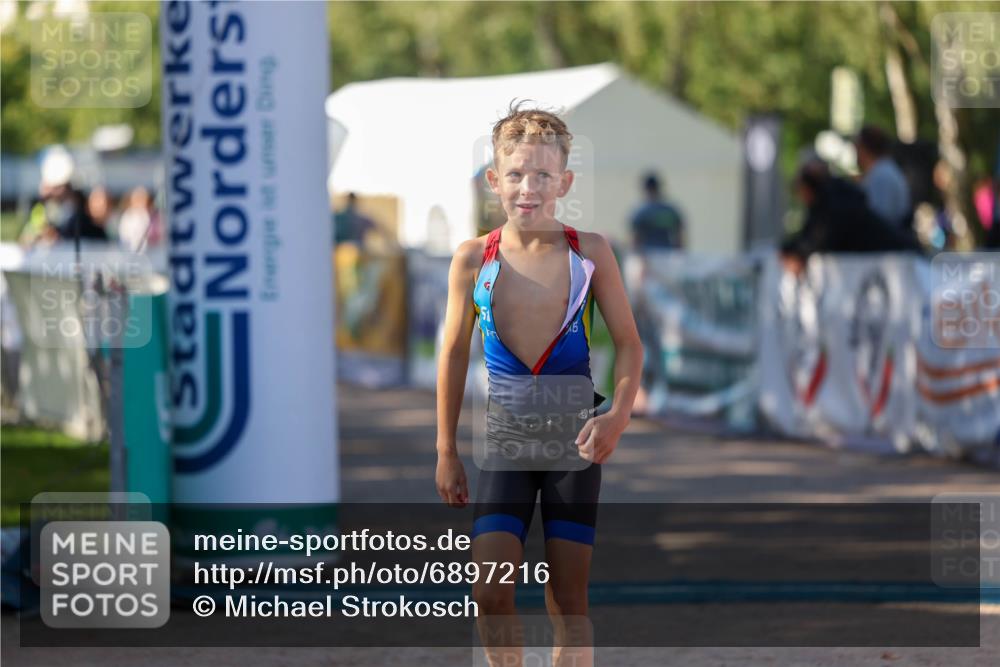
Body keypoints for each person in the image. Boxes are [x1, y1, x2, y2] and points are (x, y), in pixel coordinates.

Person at [435, 104, 643, 667]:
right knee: (489, 591)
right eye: (517, 174)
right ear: (494, 180)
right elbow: (453, 353)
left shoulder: (590, 252)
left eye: (543, 176)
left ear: (565, 182)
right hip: (505, 443)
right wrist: (447, 450)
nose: (529, 188)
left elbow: (630, 343)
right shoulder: (473, 259)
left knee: (568, 598)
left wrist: (618, 414)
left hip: (572, 447)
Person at [781, 158, 921, 274]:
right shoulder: (830, 200)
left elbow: (823, 237)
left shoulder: (836, 203)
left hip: (903, 259)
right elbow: (811, 234)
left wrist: (797, 253)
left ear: (807, 188)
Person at [854, 125, 912, 229]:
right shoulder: (883, 171)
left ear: (863, 148)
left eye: (856, 147)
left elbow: (879, 221)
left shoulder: (881, 176)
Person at [629, 172, 685, 250]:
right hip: (668, 252)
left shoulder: (641, 212)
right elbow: (679, 236)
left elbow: (636, 238)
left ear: (646, 189)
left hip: (648, 254)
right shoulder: (670, 211)